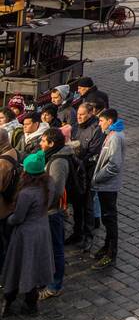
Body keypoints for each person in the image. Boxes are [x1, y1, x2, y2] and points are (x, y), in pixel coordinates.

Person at [1, 151, 54, 317]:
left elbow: (18, 217)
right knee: (34, 267)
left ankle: (8, 302)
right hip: (42, 230)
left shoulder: (26, 193)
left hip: (25, 235)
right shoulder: (49, 184)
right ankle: (30, 304)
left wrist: (8, 220)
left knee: (17, 268)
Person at [40, 126, 73, 299]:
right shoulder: (53, 156)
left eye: (43, 141)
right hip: (50, 210)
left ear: (52, 143)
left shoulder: (58, 161)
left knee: (56, 248)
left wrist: (44, 207)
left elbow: (57, 190)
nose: (40, 144)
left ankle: (55, 285)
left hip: (53, 212)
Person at [91, 108, 125, 269]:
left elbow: (114, 165)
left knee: (110, 219)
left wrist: (97, 178)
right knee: (107, 218)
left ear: (109, 121)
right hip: (106, 184)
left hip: (108, 185)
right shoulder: (111, 135)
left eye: (101, 121)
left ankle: (111, 252)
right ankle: (107, 247)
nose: (99, 124)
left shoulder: (115, 138)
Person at [66, 101, 103, 248]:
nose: (79, 117)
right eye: (79, 114)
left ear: (90, 113)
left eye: (82, 115)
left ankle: (88, 235)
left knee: (87, 205)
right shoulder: (75, 127)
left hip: (87, 172)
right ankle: (77, 232)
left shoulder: (96, 130)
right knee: (76, 203)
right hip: (75, 172)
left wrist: (78, 155)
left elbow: (93, 153)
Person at [0, 129, 21, 271]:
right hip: (11, 204)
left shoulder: (2, 163)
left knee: (2, 242)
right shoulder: (13, 151)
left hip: (3, 208)